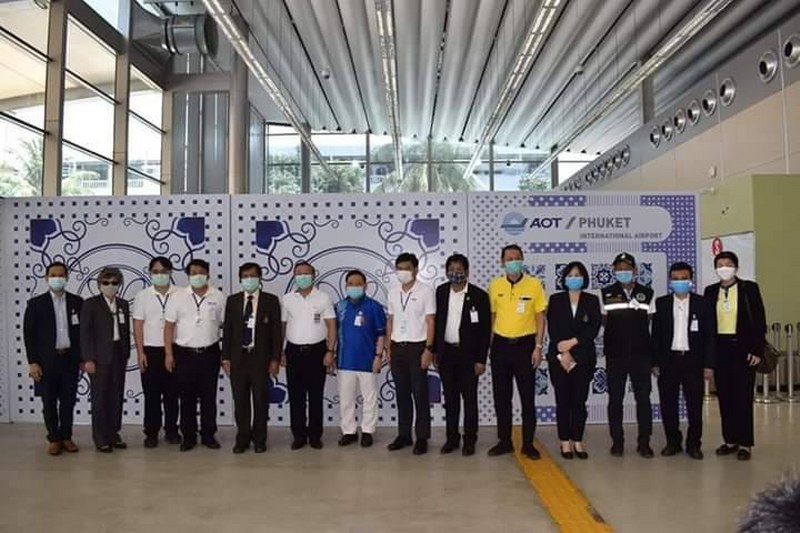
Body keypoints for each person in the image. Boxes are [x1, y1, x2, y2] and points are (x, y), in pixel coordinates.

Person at [704, 251, 766, 461]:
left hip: (743, 349)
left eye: (728, 264)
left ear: (736, 267)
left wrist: (757, 350)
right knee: (725, 397)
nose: (724, 268)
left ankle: (745, 443)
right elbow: (707, 324)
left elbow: (759, 320)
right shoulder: (710, 291)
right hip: (720, 349)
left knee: (743, 397)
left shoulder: (749, 288)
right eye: (720, 264)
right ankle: (730, 440)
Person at [488, 244, 547, 460]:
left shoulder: (534, 284)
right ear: (502, 262)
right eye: (509, 258)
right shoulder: (495, 285)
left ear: (522, 260)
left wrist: (538, 347)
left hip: (525, 346)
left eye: (517, 258)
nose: (513, 261)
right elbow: (493, 317)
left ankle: (528, 443)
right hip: (500, 346)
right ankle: (504, 441)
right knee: (501, 397)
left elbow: (540, 317)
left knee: (527, 397)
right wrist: (490, 346)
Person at [652, 262, 715, 460]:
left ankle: (694, 444)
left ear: (690, 280)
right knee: (668, 405)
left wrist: (709, 364)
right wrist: (655, 362)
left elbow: (710, 336)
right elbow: (656, 336)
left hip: (693, 362)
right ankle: (673, 442)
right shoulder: (661, 303)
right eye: (675, 279)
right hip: (668, 361)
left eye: (683, 279)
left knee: (694, 406)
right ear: (670, 281)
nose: (679, 282)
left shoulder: (703, 303)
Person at [164, 259, 226, 452]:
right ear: (188, 276)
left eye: (200, 272)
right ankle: (188, 436)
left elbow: (227, 325)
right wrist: (168, 354)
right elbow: (168, 327)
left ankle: (208, 435)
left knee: (209, 397)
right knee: (186, 397)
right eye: (193, 273)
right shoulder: (177, 296)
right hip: (184, 354)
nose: (197, 276)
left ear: (208, 274)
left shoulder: (218, 296)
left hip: (210, 353)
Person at [433, 253, 491, 457]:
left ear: (466, 272)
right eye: (451, 270)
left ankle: (470, 440)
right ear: (446, 272)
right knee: (450, 400)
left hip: (469, 356)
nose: (455, 273)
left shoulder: (479, 296)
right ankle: (452, 438)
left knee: (470, 400)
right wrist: (435, 351)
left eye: (459, 270)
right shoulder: (440, 292)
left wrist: (481, 359)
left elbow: (485, 331)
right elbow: (436, 323)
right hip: (446, 354)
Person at [23, 261, 84, 455]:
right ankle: (54, 438)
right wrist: (33, 362)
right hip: (46, 361)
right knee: (48, 401)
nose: (57, 278)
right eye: (53, 275)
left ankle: (66, 436)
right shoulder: (36, 304)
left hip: (70, 359)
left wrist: (82, 358)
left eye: (61, 275)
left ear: (67, 277)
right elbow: (29, 335)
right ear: (46, 278)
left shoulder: (77, 302)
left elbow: (82, 334)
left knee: (68, 401)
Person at [221, 263, 282, 454]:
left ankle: (259, 439)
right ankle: (243, 438)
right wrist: (225, 357)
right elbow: (228, 331)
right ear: (240, 279)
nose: (249, 279)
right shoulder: (232, 301)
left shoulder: (271, 300)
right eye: (245, 276)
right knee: (240, 401)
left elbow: (276, 332)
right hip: (238, 358)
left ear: (260, 277)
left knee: (260, 400)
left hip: (260, 358)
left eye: (253, 276)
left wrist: (275, 359)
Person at [601, 252, 655, 458]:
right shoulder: (606, 293)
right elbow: (605, 322)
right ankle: (617, 442)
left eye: (627, 268)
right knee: (615, 400)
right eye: (619, 269)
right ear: (614, 271)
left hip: (641, 356)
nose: (623, 272)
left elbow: (649, 321)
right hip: (615, 356)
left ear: (635, 270)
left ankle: (644, 443)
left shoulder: (647, 293)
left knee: (643, 400)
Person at [546, 261, 601, 460]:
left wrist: (573, 344)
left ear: (584, 278)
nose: (574, 278)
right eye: (570, 275)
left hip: (583, 358)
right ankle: (564, 441)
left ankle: (577, 440)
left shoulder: (592, 300)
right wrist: (564, 353)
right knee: (563, 401)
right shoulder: (555, 299)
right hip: (559, 358)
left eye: (577, 275)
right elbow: (553, 328)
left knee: (579, 401)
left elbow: (593, 328)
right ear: (564, 279)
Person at [281, 261, 336, 450]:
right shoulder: (287, 299)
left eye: (306, 273)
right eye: (299, 273)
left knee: (315, 396)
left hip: (317, 352)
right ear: (294, 276)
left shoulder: (323, 298)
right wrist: (280, 351)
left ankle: (314, 436)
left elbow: (331, 325)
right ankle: (298, 436)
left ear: (313, 275)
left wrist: (330, 351)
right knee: (296, 397)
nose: (302, 277)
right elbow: (282, 327)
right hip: (293, 352)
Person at [386, 252, 436, 455]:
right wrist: (388, 347)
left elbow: (431, 321)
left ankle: (422, 437)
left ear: (415, 269)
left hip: (418, 347)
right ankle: (404, 435)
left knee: (420, 393)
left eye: (407, 268)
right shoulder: (392, 292)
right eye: (399, 269)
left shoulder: (426, 291)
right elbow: (390, 320)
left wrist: (428, 349)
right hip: (397, 347)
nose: (403, 272)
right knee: (402, 394)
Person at [80, 267, 131, 453]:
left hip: (118, 354)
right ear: (99, 284)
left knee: (116, 395)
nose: (110, 286)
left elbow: (125, 330)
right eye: (106, 282)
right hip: (98, 358)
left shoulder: (123, 304)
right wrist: (88, 359)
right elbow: (85, 333)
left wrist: (126, 353)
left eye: (114, 283)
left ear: (119, 285)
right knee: (100, 398)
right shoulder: (90, 304)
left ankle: (113, 433)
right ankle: (100, 437)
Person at [132, 256, 180, 448]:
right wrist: (140, 352)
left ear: (170, 272)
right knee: (151, 394)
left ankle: (171, 430)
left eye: (163, 271)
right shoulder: (143, 296)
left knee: (172, 394)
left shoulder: (181, 293)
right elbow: (138, 325)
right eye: (155, 272)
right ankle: (151, 432)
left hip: (175, 349)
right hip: (150, 350)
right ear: (150, 273)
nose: (160, 275)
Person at [335, 270, 386, 448]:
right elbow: (332, 333)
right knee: (346, 398)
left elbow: (381, 334)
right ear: (346, 285)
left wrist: (378, 356)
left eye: (358, 284)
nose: (354, 287)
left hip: (368, 360)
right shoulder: (340, 307)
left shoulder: (374, 307)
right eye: (350, 283)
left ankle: (367, 431)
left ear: (365, 286)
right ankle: (349, 431)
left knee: (369, 398)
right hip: (344, 361)